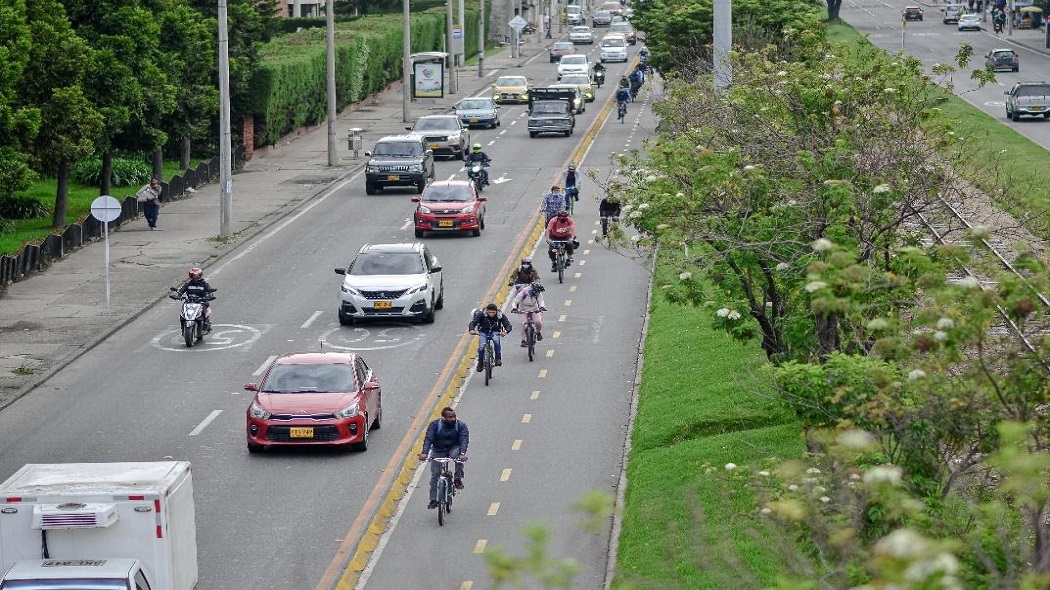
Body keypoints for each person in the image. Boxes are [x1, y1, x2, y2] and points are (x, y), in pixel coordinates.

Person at [419, 407, 469, 509]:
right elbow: (429, 439)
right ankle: (434, 499)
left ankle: (457, 479)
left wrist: (462, 453)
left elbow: (464, 439)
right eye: (450, 417)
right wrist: (424, 453)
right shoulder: (435, 425)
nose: (453, 419)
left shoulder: (461, 426)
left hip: (454, 448)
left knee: (459, 460)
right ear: (443, 417)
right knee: (435, 474)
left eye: (454, 416)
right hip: (438, 449)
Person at [469, 303, 512, 371]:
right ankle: (480, 362)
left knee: (496, 340)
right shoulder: (481, 314)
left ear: (496, 311)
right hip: (483, 332)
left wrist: (505, 331)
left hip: (495, 332)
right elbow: (473, 323)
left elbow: (508, 325)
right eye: (489, 312)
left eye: (493, 312)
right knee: (481, 347)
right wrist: (471, 329)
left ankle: (498, 358)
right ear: (487, 311)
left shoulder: (500, 315)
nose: (491, 314)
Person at [170, 267, 215, 332]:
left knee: (205, 310)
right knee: (183, 312)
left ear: (200, 275)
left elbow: (210, 292)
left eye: (197, 276)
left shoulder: (204, 284)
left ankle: (206, 325)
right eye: (193, 276)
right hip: (190, 302)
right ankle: (183, 325)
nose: (195, 277)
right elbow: (181, 291)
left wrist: (209, 296)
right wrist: (177, 296)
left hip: (201, 301)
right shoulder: (188, 284)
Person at [511, 281, 547, 346]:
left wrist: (542, 307)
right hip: (523, 310)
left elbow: (541, 301)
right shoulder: (523, 293)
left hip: (534, 309)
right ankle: (523, 340)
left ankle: (538, 333)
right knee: (524, 324)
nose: (537, 294)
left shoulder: (538, 293)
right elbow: (515, 302)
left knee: (538, 322)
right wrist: (514, 308)